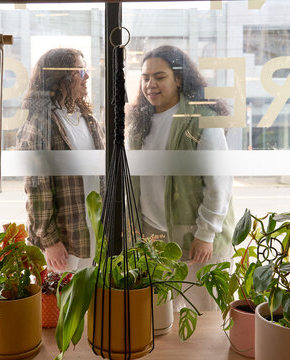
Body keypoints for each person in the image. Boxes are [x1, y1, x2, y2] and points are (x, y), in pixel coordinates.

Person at [127, 45, 234, 311]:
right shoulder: (141, 122)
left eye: (159, 77)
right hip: (155, 235)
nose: (150, 84)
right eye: (145, 77)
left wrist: (206, 233)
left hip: (195, 234)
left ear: (178, 79)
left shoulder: (200, 118)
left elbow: (219, 183)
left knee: (202, 314)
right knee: (161, 316)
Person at [17, 48, 104, 272]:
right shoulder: (42, 122)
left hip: (93, 233)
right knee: (62, 306)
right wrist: (49, 240)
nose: (86, 76)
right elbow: (37, 187)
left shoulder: (87, 118)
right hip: (65, 243)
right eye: (79, 70)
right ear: (60, 76)